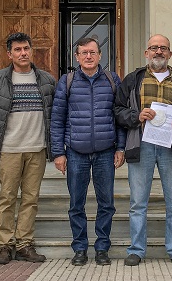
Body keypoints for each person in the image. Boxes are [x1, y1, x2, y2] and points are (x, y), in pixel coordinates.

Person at [114, 34, 172, 267]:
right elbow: (118, 109)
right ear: (146, 52)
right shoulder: (133, 79)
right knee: (138, 202)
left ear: (170, 53)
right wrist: (136, 116)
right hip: (142, 144)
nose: (158, 52)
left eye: (163, 48)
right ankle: (136, 250)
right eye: (154, 48)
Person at [50, 37, 125, 266]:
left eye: (92, 52)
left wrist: (121, 147)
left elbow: (120, 116)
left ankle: (102, 248)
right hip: (75, 152)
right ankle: (80, 248)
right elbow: (57, 118)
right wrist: (58, 152)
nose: (89, 56)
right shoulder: (67, 81)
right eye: (84, 53)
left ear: (100, 55)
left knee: (106, 204)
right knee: (76, 204)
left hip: (105, 151)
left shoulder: (112, 80)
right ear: (77, 57)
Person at [0, 32, 56, 264]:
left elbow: (53, 114)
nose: (23, 53)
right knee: (7, 198)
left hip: (37, 148)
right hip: (10, 149)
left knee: (30, 198)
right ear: (9, 54)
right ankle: (5, 245)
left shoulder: (46, 80)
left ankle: (25, 244)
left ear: (31, 50)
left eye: (26, 48)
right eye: (17, 50)